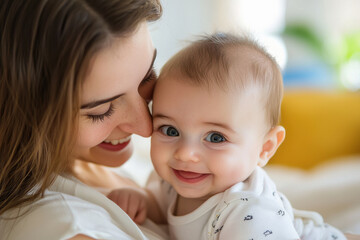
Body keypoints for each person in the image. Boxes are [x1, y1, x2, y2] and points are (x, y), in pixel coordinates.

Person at [108, 33, 347, 239]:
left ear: (265, 148)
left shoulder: (248, 213)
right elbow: (162, 205)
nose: (185, 153)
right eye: (171, 130)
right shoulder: (176, 178)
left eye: (215, 138)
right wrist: (141, 200)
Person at [0, 0, 168, 239]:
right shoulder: (67, 228)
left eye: (147, 77)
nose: (146, 126)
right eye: (102, 111)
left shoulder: (92, 164)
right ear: (26, 112)